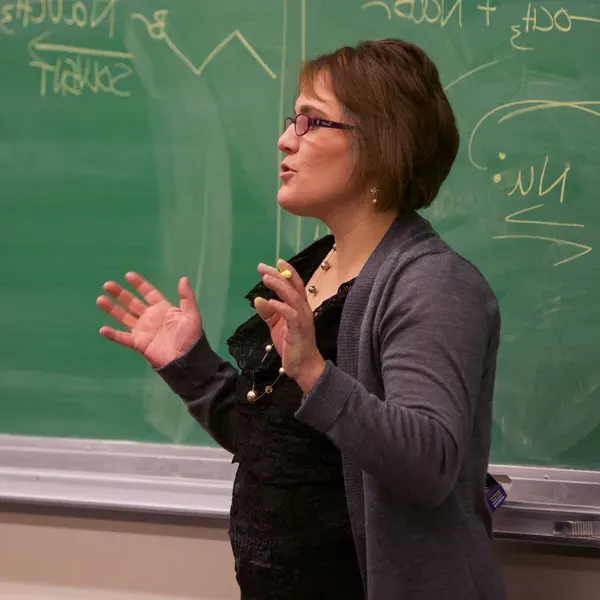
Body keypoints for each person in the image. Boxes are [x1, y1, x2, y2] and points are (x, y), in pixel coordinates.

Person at [97, 39, 506, 599]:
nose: (285, 138)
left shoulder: (432, 285)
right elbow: (284, 451)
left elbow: (430, 463)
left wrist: (314, 372)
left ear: (380, 145)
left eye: (312, 121)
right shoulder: (313, 270)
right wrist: (189, 364)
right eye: (294, 119)